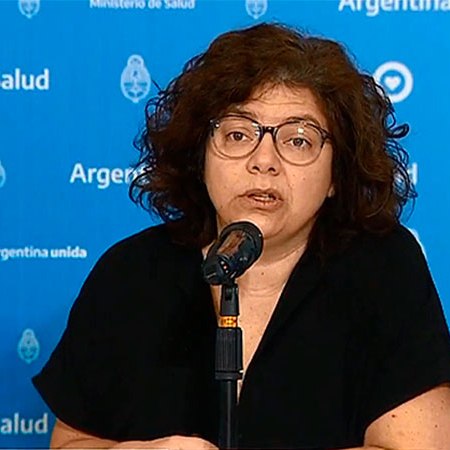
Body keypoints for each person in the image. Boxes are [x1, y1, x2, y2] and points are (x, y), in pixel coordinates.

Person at [33, 23, 450, 450]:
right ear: (200, 154)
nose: (263, 160)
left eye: (298, 140)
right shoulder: (132, 272)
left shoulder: (383, 268)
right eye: (238, 134)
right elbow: (70, 444)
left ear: (335, 175)